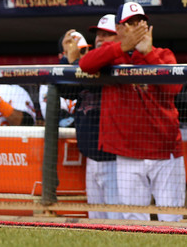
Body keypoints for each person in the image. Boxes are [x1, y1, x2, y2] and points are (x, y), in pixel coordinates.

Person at [78, 2, 184, 221]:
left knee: (172, 222)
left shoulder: (163, 55)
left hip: (165, 153)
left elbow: (174, 89)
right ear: (119, 29)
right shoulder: (112, 55)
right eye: (130, 24)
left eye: (140, 23)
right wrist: (122, 46)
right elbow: (85, 64)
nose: (136, 28)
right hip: (128, 154)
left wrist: (148, 55)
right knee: (133, 223)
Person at [60, 14, 119, 219]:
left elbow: (90, 80)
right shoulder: (87, 61)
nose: (100, 39)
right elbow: (65, 91)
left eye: (107, 34)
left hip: (117, 160)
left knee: (118, 223)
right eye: (98, 34)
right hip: (92, 158)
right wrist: (67, 57)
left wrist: (75, 60)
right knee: (96, 221)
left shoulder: (118, 62)